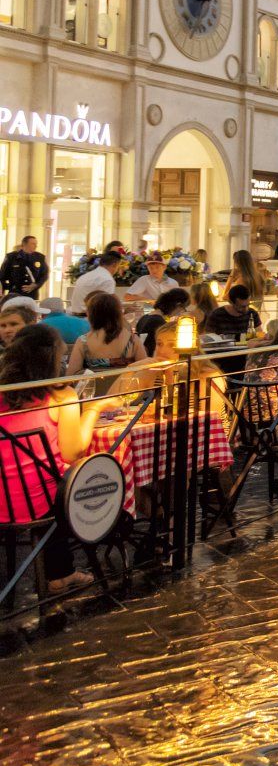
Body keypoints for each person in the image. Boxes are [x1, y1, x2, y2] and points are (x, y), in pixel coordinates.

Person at [0, 324, 93, 594]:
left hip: (3, 494)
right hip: (38, 503)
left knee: (47, 480)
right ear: (52, 359)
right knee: (67, 482)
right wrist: (94, 411)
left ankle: (57, 573)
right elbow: (72, 452)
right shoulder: (62, 397)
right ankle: (61, 574)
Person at [66, 292, 146, 375]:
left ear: (91, 314)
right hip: (125, 387)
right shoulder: (132, 340)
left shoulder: (83, 342)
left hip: (93, 387)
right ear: (118, 314)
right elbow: (145, 372)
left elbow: (71, 375)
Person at [134, 288, 191, 356]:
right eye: (183, 308)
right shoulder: (158, 322)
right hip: (154, 360)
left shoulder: (144, 318)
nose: (181, 311)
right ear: (177, 305)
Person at [2, 236, 48, 300]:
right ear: (24, 244)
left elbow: (44, 275)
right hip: (14, 293)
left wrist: (36, 285)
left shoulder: (40, 257)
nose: (36, 246)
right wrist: (3, 290)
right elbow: (3, 275)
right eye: (33, 244)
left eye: (36, 244)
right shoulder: (11, 257)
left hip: (32, 293)